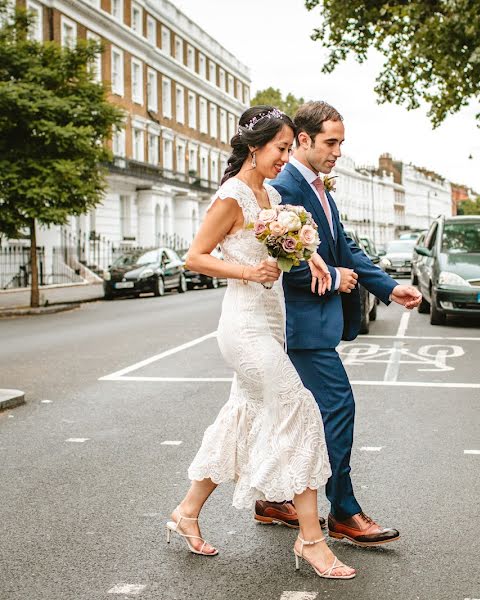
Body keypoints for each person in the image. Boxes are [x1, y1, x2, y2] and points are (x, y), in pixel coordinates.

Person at [166, 105, 356, 580]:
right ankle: (311, 540)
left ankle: (186, 511)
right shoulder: (232, 196)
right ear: (255, 147)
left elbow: (288, 243)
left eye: (290, 148)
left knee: (242, 418)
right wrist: (248, 271)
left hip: (272, 321)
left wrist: (311, 259)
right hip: (244, 326)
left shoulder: (269, 194)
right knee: (300, 408)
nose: (285, 157)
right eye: (280, 148)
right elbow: (195, 257)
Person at [260, 101, 422, 546]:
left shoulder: (318, 187)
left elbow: (344, 248)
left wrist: (390, 288)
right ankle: (344, 510)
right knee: (337, 408)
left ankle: (273, 497)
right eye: (331, 142)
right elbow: (282, 263)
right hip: (301, 327)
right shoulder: (283, 188)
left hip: (315, 324)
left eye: (341, 143)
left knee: (291, 417)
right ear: (305, 140)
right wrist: (332, 277)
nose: (338, 152)